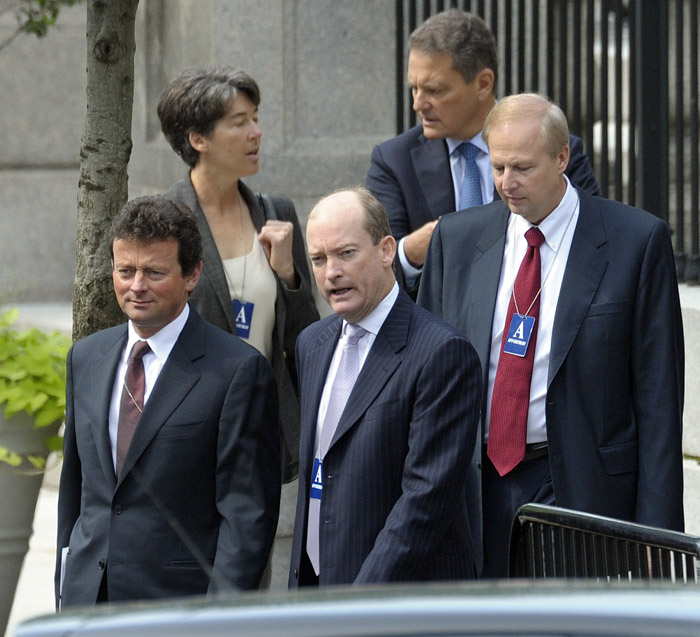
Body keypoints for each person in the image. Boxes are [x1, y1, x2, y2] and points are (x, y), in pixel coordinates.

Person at [418, 93, 685, 579]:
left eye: (522, 167)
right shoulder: (456, 241)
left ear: (562, 157)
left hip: (579, 486)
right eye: (498, 167)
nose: (506, 183)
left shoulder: (635, 242)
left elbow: (659, 399)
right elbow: (424, 380)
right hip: (473, 485)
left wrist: (657, 534)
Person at [56, 196, 281, 608]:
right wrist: (65, 589)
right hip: (86, 604)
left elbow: (247, 520)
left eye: (154, 272)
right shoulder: (85, 359)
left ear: (192, 275)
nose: (136, 286)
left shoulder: (237, 371)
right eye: (126, 271)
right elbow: (75, 494)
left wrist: (218, 621)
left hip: (179, 610)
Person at [288, 187, 482, 587]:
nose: (331, 273)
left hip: (396, 603)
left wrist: (359, 605)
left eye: (346, 253)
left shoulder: (441, 353)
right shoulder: (312, 343)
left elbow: (424, 503)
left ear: (386, 250)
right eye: (318, 259)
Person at [158, 66, 319, 483]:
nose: (257, 132)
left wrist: (289, 275)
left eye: (256, 118)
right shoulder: (166, 222)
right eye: (239, 122)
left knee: (254, 548)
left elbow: (304, 337)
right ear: (198, 139)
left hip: (261, 430)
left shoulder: (277, 214)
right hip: (187, 430)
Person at [366, 9, 601, 293]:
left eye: (435, 90)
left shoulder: (553, 150)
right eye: (414, 89)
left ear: (483, 83)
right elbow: (371, 273)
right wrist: (410, 252)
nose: (418, 104)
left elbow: (591, 245)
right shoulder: (393, 161)